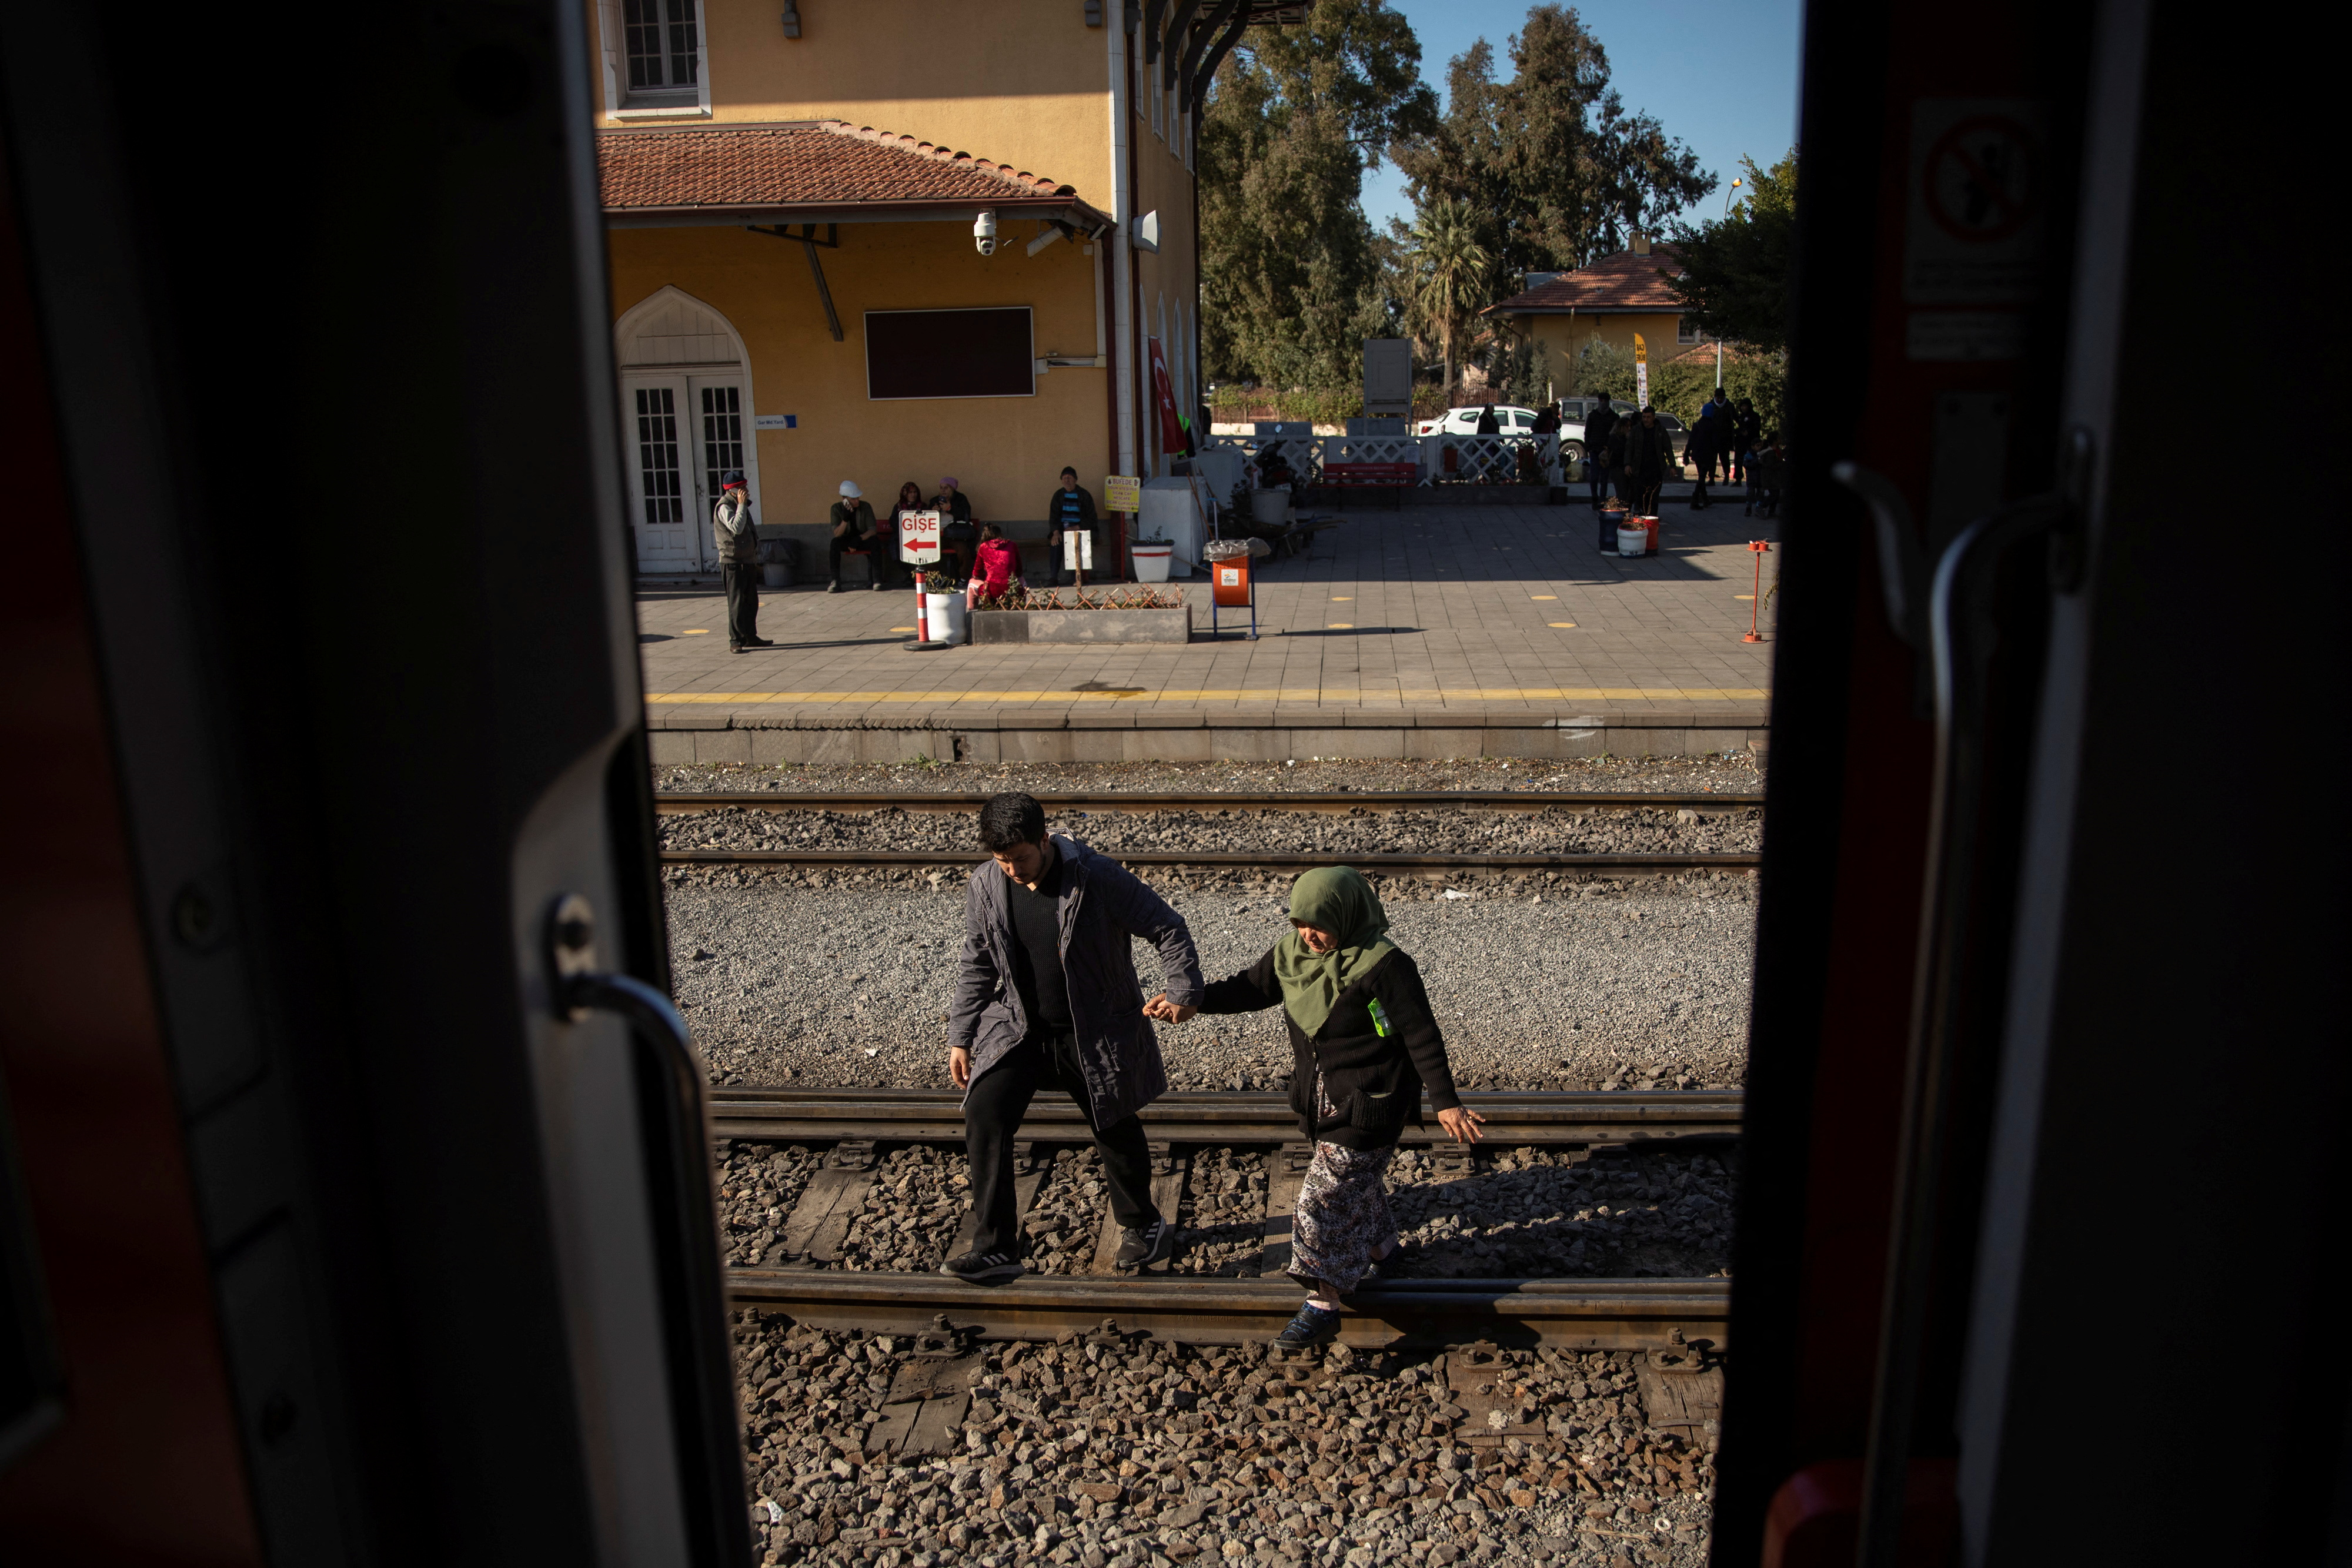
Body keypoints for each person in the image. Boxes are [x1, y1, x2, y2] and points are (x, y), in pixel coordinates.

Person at [1150, 867, 1481, 1349]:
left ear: (1346, 915)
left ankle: (1323, 1302)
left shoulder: (1386, 965)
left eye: (1319, 923)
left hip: (1373, 1104)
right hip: (1321, 1101)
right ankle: (1384, 1250)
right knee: (1353, 1184)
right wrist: (1192, 1002)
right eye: (1301, 921)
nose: (1309, 933)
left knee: (1321, 1198)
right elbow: (1248, 988)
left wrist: (1446, 1101)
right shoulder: (1292, 954)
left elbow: (1421, 1034)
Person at [944, 793, 1205, 1283]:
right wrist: (961, 1036)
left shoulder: (1095, 876)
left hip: (1094, 1030)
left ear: (1045, 839)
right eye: (1002, 860)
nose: (1012, 869)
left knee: (1114, 1123)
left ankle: (1142, 1223)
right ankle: (996, 1246)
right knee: (984, 1114)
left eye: (1020, 857)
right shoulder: (986, 884)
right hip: (1020, 1030)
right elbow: (977, 962)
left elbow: (1167, 926)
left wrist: (1183, 991)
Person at [713, 469, 770, 653]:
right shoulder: (725, 506)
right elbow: (736, 528)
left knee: (751, 601)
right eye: (742, 487)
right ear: (733, 490)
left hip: (747, 561)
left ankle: (750, 636)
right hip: (732, 563)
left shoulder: (741, 504)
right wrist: (742, 505)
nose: (745, 490)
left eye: (745, 486)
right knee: (736, 604)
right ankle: (735, 641)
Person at [1045, 466, 1101, 587]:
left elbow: (1092, 519)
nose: (1067, 481)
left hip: (1080, 529)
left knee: (1073, 543)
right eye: (1064, 478)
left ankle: (1076, 578)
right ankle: (1053, 577)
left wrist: (1076, 527)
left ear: (1075, 479)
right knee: (1056, 544)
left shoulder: (1084, 495)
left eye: (1069, 478)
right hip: (1062, 530)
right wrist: (1055, 532)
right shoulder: (1058, 495)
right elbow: (1053, 516)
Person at [1622, 406, 1673, 517]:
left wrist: (1672, 466)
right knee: (1639, 495)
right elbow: (1629, 448)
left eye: (1649, 417)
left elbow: (1668, 448)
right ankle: (1640, 516)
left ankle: (1652, 517)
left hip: (1656, 469)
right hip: (1639, 468)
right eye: (1644, 417)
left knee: (1653, 496)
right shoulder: (1637, 430)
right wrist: (1627, 464)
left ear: (1654, 417)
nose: (1646, 420)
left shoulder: (1660, 430)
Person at [885, 480, 930, 590]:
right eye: (910, 492)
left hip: (919, 538)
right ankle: (911, 574)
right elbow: (894, 523)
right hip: (901, 538)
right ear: (905, 494)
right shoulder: (899, 507)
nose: (913, 495)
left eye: (915, 492)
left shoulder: (922, 506)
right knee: (895, 551)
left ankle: (916, 576)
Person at [931, 476, 976, 581]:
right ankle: (935, 578)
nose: (943, 491)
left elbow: (966, 515)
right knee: (931, 551)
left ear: (952, 489)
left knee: (964, 552)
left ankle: (963, 578)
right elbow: (926, 518)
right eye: (941, 488)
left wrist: (950, 509)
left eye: (946, 488)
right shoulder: (934, 500)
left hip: (955, 535)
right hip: (937, 535)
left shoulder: (960, 499)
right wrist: (932, 511)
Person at [1582, 393, 1620, 513]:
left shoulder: (1614, 417)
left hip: (1606, 451)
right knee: (1594, 477)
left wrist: (1610, 448)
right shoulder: (1593, 416)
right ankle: (1595, 497)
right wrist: (1588, 447)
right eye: (1601, 400)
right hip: (1594, 450)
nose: (1603, 403)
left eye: (1605, 401)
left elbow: (1615, 434)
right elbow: (1587, 432)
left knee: (1604, 478)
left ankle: (1602, 501)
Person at [967, 521, 1021, 606]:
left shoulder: (984, 547)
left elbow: (976, 573)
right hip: (1012, 588)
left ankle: (972, 611)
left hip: (991, 590)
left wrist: (981, 579)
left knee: (971, 584)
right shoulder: (1012, 545)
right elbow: (1019, 570)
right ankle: (1022, 606)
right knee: (1022, 580)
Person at [1685, 410, 1721, 510]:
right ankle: (1695, 500)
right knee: (1702, 477)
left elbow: (1690, 440)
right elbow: (1715, 442)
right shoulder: (1713, 426)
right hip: (1707, 455)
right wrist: (1715, 453)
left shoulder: (1697, 425)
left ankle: (1705, 499)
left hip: (1697, 455)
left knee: (1701, 475)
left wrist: (1686, 455)